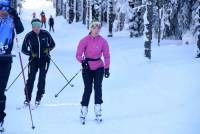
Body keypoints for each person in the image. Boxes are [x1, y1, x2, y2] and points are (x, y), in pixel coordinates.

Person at [76, 21, 110, 123]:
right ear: (90, 28)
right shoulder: (84, 40)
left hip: (99, 66)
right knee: (88, 88)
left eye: (98, 28)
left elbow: (107, 55)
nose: (96, 30)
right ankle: (83, 111)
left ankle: (98, 112)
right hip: (87, 67)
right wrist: (83, 61)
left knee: (98, 87)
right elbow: (78, 54)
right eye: (94, 27)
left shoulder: (103, 41)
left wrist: (107, 68)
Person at [0, 0, 24, 131]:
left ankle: (0, 119)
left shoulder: (11, 20)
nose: (3, 12)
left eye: (5, 9)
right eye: (0, 9)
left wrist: (15, 15)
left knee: (0, 91)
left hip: (5, 60)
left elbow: (20, 29)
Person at [22, 19, 55, 106]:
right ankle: (27, 98)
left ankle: (39, 97)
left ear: (40, 26)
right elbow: (23, 49)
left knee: (42, 79)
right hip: (33, 60)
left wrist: (47, 49)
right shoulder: (29, 36)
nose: (36, 28)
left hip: (44, 60)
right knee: (31, 79)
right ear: (32, 27)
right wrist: (31, 53)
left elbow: (53, 44)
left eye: (38, 26)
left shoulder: (45, 34)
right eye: (34, 26)